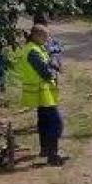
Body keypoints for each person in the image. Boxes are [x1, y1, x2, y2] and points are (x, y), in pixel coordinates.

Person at [18, 25, 65, 166]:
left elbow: (49, 63)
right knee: (56, 124)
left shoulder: (35, 48)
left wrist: (53, 63)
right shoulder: (33, 51)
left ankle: (45, 150)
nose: (47, 40)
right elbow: (46, 72)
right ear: (36, 36)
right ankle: (53, 156)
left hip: (41, 93)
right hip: (43, 93)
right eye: (45, 37)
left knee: (44, 123)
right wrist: (53, 69)